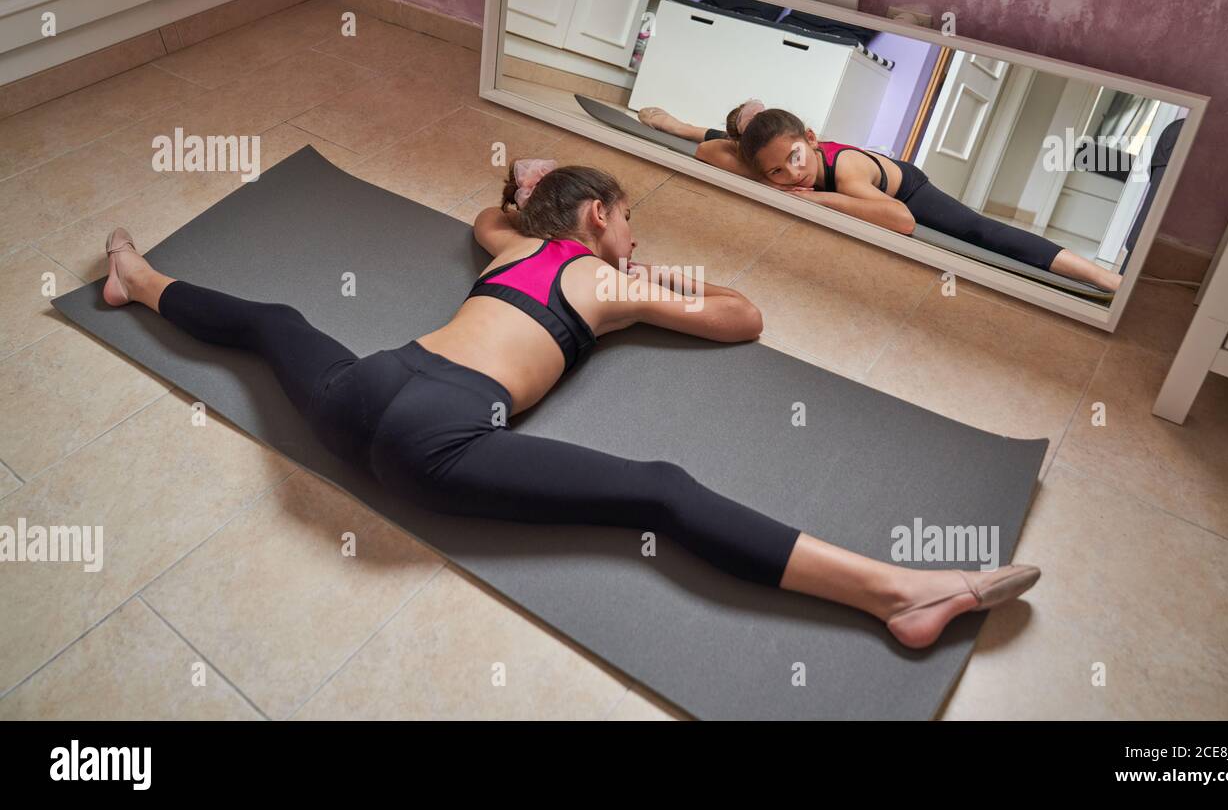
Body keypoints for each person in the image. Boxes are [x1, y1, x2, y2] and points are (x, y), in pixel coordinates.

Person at [99, 157, 1040, 650]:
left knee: (274, 324)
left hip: (363, 390)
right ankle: (900, 595)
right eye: (629, 219)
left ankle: (137, 283)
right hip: (438, 443)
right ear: (597, 221)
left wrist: (532, 193)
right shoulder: (609, 284)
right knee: (660, 490)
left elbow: (492, 217)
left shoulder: (511, 251)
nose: (635, 234)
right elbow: (744, 319)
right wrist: (656, 274)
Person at [639, 102, 1122, 292]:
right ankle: (671, 121)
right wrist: (685, 128)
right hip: (771, 145)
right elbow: (709, 150)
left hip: (904, 187)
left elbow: (901, 220)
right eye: (777, 170)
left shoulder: (842, 169)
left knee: (981, 230)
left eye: (796, 157)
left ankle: (1103, 276)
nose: (791, 173)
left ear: (812, 137)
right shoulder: (774, 160)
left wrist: (816, 199)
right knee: (719, 139)